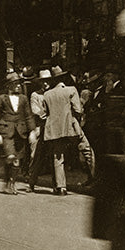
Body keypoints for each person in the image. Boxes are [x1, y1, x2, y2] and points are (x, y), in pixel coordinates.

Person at [0, 71, 35, 195]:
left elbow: (28, 116)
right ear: (8, 85)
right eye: (15, 84)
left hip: (21, 132)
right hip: (6, 131)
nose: (18, 86)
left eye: (19, 84)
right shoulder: (1, 98)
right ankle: (8, 182)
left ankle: (11, 182)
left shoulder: (23, 99)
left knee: (17, 160)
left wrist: (32, 131)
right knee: (11, 157)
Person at [41, 66, 83, 196]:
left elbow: (44, 114)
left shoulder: (47, 94)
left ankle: (61, 187)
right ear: (64, 78)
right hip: (71, 128)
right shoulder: (71, 90)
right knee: (86, 150)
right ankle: (93, 177)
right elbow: (78, 110)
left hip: (54, 130)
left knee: (58, 157)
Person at [27, 68, 51, 192]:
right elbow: (35, 110)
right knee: (35, 155)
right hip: (39, 128)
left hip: (51, 129)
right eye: (43, 81)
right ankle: (31, 182)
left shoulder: (53, 93)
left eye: (47, 81)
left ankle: (57, 185)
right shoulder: (35, 95)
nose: (45, 83)